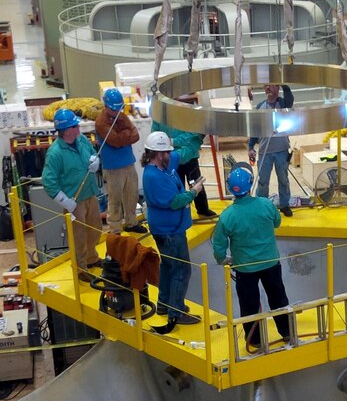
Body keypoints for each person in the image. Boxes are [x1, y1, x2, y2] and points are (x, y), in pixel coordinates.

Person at [212, 165, 290, 349]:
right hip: (270, 263)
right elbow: (277, 223)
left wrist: (222, 259)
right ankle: (287, 331)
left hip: (245, 268)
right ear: (250, 185)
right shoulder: (266, 204)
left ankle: (254, 340)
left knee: (249, 304)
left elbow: (218, 245)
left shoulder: (227, 216)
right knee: (278, 298)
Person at [141, 130, 205, 332]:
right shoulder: (154, 177)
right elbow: (175, 202)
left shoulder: (165, 166)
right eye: (168, 151)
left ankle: (164, 304)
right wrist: (194, 192)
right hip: (169, 231)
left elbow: (185, 152)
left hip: (170, 228)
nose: (171, 154)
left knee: (168, 266)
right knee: (181, 270)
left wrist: (196, 136)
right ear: (159, 155)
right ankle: (175, 312)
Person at [42, 108, 103, 283]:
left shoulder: (81, 139)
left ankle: (92, 258)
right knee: (78, 236)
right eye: (75, 125)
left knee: (95, 228)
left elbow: (92, 152)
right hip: (74, 202)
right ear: (67, 130)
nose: (78, 127)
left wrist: (95, 162)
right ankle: (80, 268)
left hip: (90, 194)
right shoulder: (55, 153)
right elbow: (49, 181)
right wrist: (65, 201)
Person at [95, 87, 146, 235]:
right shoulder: (100, 123)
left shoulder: (122, 117)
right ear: (106, 106)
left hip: (128, 163)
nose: (117, 112)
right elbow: (115, 141)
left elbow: (135, 135)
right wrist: (126, 134)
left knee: (132, 195)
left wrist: (123, 135)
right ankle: (115, 229)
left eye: (119, 109)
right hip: (112, 168)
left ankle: (131, 222)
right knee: (115, 200)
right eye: (114, 109)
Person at [150, 111, 217, 219]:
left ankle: (202, 209)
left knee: (195, 183)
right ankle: (181, 213)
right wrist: (171, 143)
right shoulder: (159, 116)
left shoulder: (186, 113)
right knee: (177, 186)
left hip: (187, 157)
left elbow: (192, 133)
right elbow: (154, 134)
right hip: (172, 157)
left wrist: (172, 141)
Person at [248, 83, 294, 217]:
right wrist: (251, 147)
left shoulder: (283, 103)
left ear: (278, 87)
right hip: (264, 151)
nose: (268, 88)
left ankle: (285, 205)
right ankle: (261, 206)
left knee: (283, 179)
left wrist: (285, 83)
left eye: (272, 85)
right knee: (263, 181)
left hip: (282, 149)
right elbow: (255, 129)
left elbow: (290, 100)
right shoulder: (260, 107)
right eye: (266, 86)